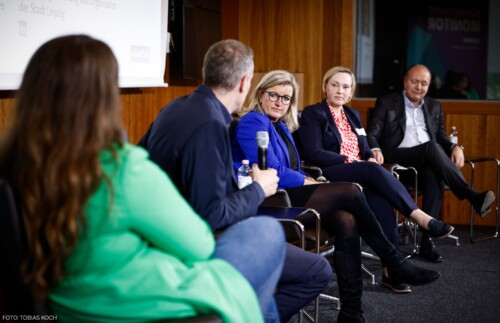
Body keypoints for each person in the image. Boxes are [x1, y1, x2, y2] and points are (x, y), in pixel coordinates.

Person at [0, 34, 287, 323]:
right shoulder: (121, 169)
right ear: (106, 98)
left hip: (68, 305)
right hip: (134, 307)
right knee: (266, 234)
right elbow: (199, 245)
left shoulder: (12, 166)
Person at [138, 40, 332, 323]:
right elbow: (212, 215)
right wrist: (259, 188)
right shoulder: (209, 124)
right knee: (317, 272)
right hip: (189, 246)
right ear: (245, 82)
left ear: (206, 72)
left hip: (161, 233)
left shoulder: (176, 108)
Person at [231, 70, 448, 321]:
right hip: (273, 200)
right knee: (350, 189)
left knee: (347, 219)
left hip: (292, 191)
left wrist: (309, 179)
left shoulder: (280, 126)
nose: (280, 102)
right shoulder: (253, 122)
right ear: (260, 94)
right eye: (274, 95)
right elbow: (272, 171)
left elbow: (294, 167)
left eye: (286, 98)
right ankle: (395, 262)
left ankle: (351, 312)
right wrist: (309, 180)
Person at [298, 66, 454, 264]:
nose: (340, 91)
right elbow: (314, 153)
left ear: (351, 91)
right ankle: (422, 218)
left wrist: (370, 155)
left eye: (346, 87)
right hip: (331, 172)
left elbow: (363, 145)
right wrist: (351, 160)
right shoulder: (314, 113)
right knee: (372, 169)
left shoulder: (352, 114)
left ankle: (393, 268)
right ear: (325, 87)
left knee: (382, 201)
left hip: (362, 172)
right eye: (334, 85)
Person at [366, 64, 495, 262]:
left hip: (425, 162)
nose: (419, 87)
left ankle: (427, 240)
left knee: (434, 172)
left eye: (424, 83)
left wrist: (456, 147)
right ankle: (470, 195)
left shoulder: (434, 105)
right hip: (397, 160)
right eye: (414, 81)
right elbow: (372, 132)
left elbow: (443, 138)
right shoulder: (387, 102)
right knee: (431, 147)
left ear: (429, 86)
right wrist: (374, 149)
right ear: (405, 81)